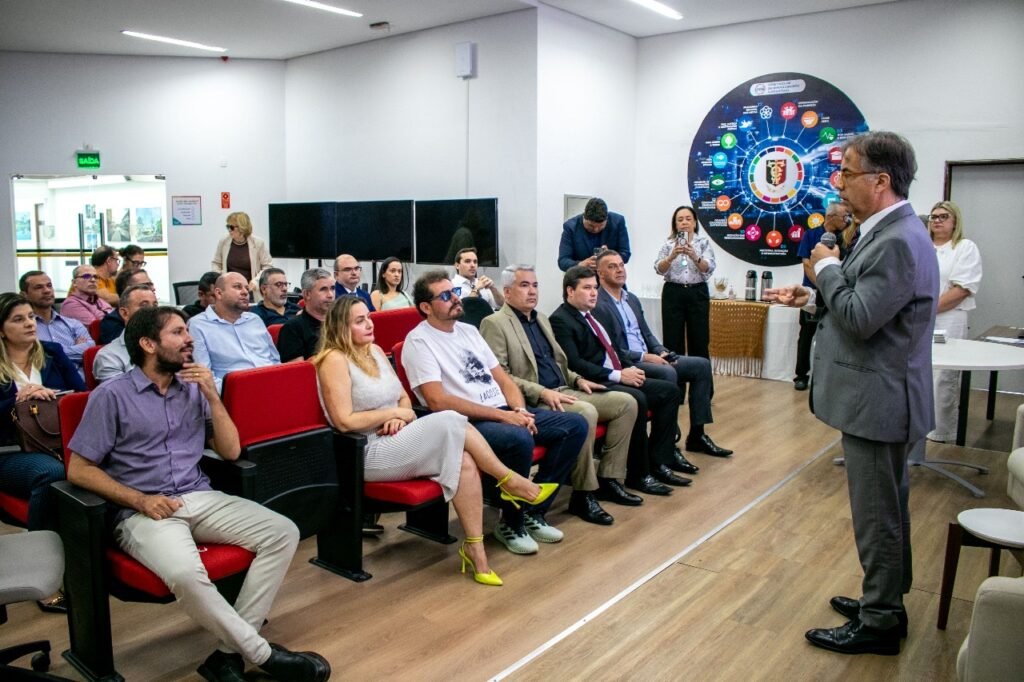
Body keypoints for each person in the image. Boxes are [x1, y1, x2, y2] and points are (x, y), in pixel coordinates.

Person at [66, 306, 330, 681]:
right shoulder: (112, 396)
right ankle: (262, 654)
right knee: (185, 573)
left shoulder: (193, 388)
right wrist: (139, 500)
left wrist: (212, 395)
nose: (189, 338)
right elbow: (78, 469)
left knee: (282, 532)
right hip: (143, 509)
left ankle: (227, 655)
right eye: (177, 332)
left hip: (198, 495)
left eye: (187, 331)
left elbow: (231, 451)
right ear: (148, 344)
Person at [765, 131, 938, 656]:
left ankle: (880, 620)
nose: (838, 183)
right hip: (879, 395)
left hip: (880, 400)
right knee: (886, 508)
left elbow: (861, 317)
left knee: (877, 514)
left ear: (881, 181)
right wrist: (811, 294)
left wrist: (825, 267)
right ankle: (884, 600)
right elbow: (867, 303)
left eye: (847, 173)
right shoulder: (886, 231)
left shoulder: (898, 239)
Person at [317, 297, 552, 585]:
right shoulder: (333, 360)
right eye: (359, 321)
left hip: (398, 436)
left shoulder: (374, 351)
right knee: (450, 418)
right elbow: (343, 421)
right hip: (365, 451)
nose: (369, 324)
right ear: (340, 327)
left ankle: (476, 551)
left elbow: (403, 399)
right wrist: (392, 413)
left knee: (464, 461)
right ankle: (509, 480)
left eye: (368, 317)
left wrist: (402, 415)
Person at [401, 271, 586, 555]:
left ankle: (532, 511)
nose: (456, 299)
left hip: (502, 412)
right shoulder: (418, 342)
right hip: (467, 423)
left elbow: (504, 380)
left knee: (575, 425)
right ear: (426, 307)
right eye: (446, 296)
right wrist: (504, 417)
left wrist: (519, 410)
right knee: (519, 438)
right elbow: (437, 401)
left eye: (455, 293)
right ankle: (510, 523)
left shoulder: (469, 331)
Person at [480, 266, 642, 525]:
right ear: (507, 292)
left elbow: (559, 363)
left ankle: (609, 478)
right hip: (535, 398)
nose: (532, 291)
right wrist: (541, 392)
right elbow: (501, 376)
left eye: (535, 285)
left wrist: (578, 379)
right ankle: (583, 493)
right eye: (524, 285)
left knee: (626, 403)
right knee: (586, 413)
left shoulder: (542, 319)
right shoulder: (494, 323)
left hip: (565, 388)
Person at [550, 266, 685, 493]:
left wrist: (630, 368)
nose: (594, 293)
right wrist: (619, 375)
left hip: (616, 373)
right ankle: (638, 474)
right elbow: (575, 364)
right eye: (587, 288)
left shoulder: (593, 315)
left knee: (669, 392)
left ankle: (660, 461)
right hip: (594, 381)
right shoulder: (561, 320)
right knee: (637, 398)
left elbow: (614, 350)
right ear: (570, 291)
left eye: (595, 288)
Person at [594, 250, 732, 465]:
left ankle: (697, 435)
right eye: (612, 267)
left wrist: (661, 351)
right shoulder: (598, 304)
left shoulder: (631, 299)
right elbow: (613, 349)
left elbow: (647, 334)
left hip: (649, 357)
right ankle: (667, 442)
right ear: (600, 274)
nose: (620, 270)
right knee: (667, 372)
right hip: (629, 363)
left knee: (701, 366)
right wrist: (646, 356)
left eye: (621, 265)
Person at [0, 292, 86, 613]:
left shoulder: (52, 352)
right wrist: (17, 399)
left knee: (103, 466)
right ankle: (37, 569)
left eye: (30, 317)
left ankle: (90, 562)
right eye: (18, 319)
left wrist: (53, 395)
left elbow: (82, 396)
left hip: (56, 442)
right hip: (8, 450)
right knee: (52, 474)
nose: (29, 324)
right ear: (1, 329)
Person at [926, 200, 982, 442]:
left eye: (943, 216)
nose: (937, 220)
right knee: (918, 374)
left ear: (955, 221)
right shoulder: (922, 247)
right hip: (917, 320)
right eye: (934, 216)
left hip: (948, 320)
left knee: (943, 378)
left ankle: (940, 433)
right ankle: (915, 428)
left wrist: (926, 311)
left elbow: (962, 289)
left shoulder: (964, 247)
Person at [793, 201, 853, 391]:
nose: (847, 220)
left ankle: (829, 377)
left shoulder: (846, 238)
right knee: (806, 335)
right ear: (831, 217)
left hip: (837, 294)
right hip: (812, 293)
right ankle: (801, 376)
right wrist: (823, 286)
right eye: (844, 216)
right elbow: (807, 264)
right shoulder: (811, 235)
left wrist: (833, 288)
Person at [188, 273, 280, 391]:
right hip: (235, 393)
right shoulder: (198, 325)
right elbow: (204, 377)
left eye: (246, 288)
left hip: (273, 386)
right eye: (237, 287)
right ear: (219, 293)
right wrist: (240, 391)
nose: (245, 292)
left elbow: (275, 360)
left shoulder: (255, 320)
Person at [654, 206, 716, 359]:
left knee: (700, 338)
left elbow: (708, 268)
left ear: (694, 223)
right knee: (672, 338)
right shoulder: (668, 244)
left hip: (697, 292)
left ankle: (700, 373)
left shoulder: (703, 243)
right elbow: (659, 269)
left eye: (688, 219)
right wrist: (671, 257)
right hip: (673, 292)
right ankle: (675, 374)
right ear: (675, 224)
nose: (684, 222)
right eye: (680, 220)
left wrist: (695, 256)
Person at [20, 270, 94, 370]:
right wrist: (76, 348)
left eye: (49, 285)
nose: (47, 290)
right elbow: (34, 358)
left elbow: (90, 350)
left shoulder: (73, 324)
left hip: (80, 378)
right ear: (24, 295)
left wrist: (49, 353)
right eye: (38, 287)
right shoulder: (26, 328)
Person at [92, 285, 158, 383]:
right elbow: (121, 392)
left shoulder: (169, 346)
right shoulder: (109, 357)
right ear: (124, 313)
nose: (154, 311)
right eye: (144, 305)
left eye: (155, 305)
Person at [277, 268, 335, 362]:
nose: (330, 295)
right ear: (307, 294)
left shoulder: (342, 322)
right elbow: (298, 369)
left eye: (332, 288)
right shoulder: (292, 329)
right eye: (323, 289)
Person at [558, 197, 631, 271]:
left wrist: (611, 256)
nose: (596, 229)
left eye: (601, 226)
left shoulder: (618, 222)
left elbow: (626, 254)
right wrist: (581, 264)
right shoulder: (571, 227)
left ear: (607, 219)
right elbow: (563, 261)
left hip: (609, 275)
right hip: (582, 275)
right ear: (584, 217)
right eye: (591, 226)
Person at [212, 212, 274, 283]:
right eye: (227, 227)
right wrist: (222, 279)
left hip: (250, 286)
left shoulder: (258, 243)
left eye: (231, 227)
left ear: (242, 228)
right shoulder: (224, 241)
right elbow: (216, 263)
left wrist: (256, 282)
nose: (229, 230)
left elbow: (268, 266)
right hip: (229, 286)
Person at [100, 269, 156, 344]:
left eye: (151, 284)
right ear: (127, 290)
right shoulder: (111, 322)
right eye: (145, 286)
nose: (153, 289)